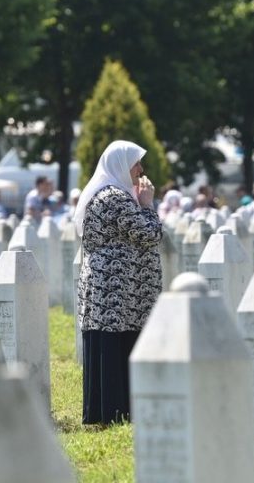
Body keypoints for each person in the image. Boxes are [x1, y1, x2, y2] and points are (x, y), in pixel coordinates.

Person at [74, 140, 162, 425]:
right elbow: (150, 235)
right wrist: (148, 205)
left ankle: (111, 409)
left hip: (116, 284)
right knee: (114, 342)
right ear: (121, 165)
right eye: (136, 163)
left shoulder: (109, 193)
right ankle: (114, 410)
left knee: (112, 341)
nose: (141, 170)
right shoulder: (115, 197)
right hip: (117, 286)